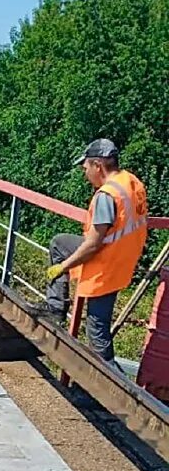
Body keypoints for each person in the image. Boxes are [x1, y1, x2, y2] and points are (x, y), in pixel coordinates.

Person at [34, 139, 147, 365]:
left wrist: (63, 267)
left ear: (98, 165)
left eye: (85, 167)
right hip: (122, 261)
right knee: (60, 243)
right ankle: (56, 308)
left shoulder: (107, 195)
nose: (85, 173)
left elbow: (93, 244)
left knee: (97, 333)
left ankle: (115, 393)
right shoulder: (131, 182)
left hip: (105, 264)